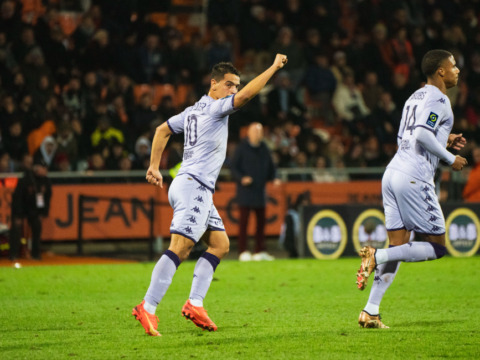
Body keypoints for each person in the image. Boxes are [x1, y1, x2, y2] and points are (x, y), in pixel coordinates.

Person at [132, 54, 288, 336]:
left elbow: (161, 130)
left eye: (236, 85)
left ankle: (194, 303)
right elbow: (247, 97)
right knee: (180, 247)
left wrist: (154, 166)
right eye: (229, 85)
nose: (234, 91)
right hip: (194, 186)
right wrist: (274, 68)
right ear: (213, 84)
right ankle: (148, 306)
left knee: (220, 244)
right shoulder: (215, 109)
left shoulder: (191, 111)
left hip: (194, 186)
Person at [355, 49, 468, 329]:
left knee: (398, 246)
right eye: (453, 66)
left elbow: (408, 134)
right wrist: (449, 157)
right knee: (437, 247)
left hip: (393, 172)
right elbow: (421, 134)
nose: (457, 70)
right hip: (414, 177)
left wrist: (445, 137)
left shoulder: (414, 97)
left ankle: (371, 311)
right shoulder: (439, 99)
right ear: (440, 71)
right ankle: (376, 255)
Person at [230, 122, 280, 261]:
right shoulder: (242, 148)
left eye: (260, 132)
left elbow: (272, 167)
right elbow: (233, 168)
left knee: (261, 223)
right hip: (245, 191)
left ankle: (260, 250)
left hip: (260, 191)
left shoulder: (264, 148)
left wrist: (274, 178)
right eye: (256, 131)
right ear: (249, 133)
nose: (259, 134)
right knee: (244, 223)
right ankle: (243, 251)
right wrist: (242, 178)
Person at [9, 160, 52, 260]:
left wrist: (43, 213)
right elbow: (18, 198)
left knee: (37, 225)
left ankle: (35, 254)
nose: (46, 171)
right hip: (21, 208)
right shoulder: (26, 179)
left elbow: (47, 199)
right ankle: (13, 254)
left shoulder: (46, 181)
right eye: (44, 168)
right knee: (16, 227)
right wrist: (18, 215)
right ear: (37, 168)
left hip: (34, 210)